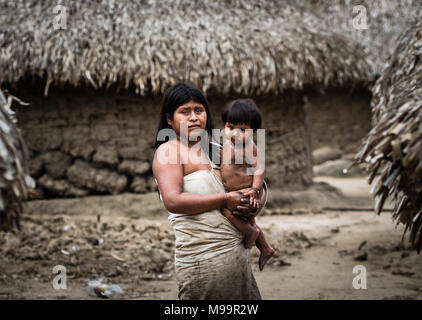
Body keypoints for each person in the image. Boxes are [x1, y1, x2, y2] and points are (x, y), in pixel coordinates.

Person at [152, 82, 267, 300]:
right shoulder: (168, 152)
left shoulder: (218, 149)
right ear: (169, 119)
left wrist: (254, 199)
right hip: (202, 261)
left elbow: (251, 181)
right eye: (184, 112)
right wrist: (225, 199)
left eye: (199, 110)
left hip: (238, 259)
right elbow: (173, 201)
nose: (194, 117)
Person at [220, 99, 275, 271]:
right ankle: (265, 248)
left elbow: (258, 169)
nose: (235, 133)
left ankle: (251, 233)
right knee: (250, 219)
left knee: (226, 211)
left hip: (247, 192)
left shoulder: (249, 148)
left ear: (255, 132)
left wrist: (255, 190)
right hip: (236, 192)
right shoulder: (226, 145)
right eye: (230, 127)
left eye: (242, 130)